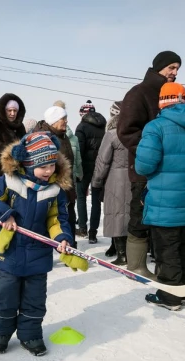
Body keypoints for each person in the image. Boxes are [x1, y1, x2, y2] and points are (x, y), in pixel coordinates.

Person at [0, 132, 87, 356]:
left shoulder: (54, 190)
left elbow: (57, 219)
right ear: (28, 164)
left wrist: (62, 238)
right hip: (9, 253)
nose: (49, 171)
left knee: (35, 298)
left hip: (38, 255)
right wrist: (4, 214)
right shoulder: (9, 183)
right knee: (5, 296)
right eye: (43, 166)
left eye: (52, 165)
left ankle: (31, 335)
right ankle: (1, 332)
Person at [135, 83, 185, 310]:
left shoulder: (155, 127)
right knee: (183, 245)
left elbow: (143, 166)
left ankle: (170, 296)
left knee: (166, 248)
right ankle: (184, 289)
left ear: (162, 101)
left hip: (163, 199)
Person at [118, 51, 182, 279]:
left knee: (164, 218)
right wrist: (151, 152)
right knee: (140, 215)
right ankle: (135, 265)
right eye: (171, 68)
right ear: (159, 67)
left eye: (177, 69)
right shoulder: (139, 93)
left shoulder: (173, 95)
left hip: (169, 170)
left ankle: (163, 265)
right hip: (144, 170)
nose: (174, 73)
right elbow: (126, 131)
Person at [34, 106, 79, 248]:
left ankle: (69, 248)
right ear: (53, 121)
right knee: (48, 219)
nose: (66, 121)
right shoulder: (44, 137)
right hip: (49, 186)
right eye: (63, 119)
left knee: (69, 217)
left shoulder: (63, 136)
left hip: (66, 184)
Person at [92, 101, 130, 265]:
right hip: (133, 177)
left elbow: (102, 161)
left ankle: (122, 255)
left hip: (115, 180)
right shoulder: (135, 133)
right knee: (129, 215)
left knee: (116, 215)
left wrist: (96, 182)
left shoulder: (111, 134)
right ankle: (129, 252)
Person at [75, 101, 107, 244]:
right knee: (96, 200)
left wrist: (78, 168)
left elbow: (79, 150)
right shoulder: (102, 127)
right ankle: (93, 233)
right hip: (99, 167)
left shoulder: (81, 127)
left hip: (85, 168)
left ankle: (82, 227)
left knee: (81, 196)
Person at [0, 93, 26, 183]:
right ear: (3, 110)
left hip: (19, 179)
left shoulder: (21, 128)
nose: (12, 113)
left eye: (15, 111)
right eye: (9, 110)